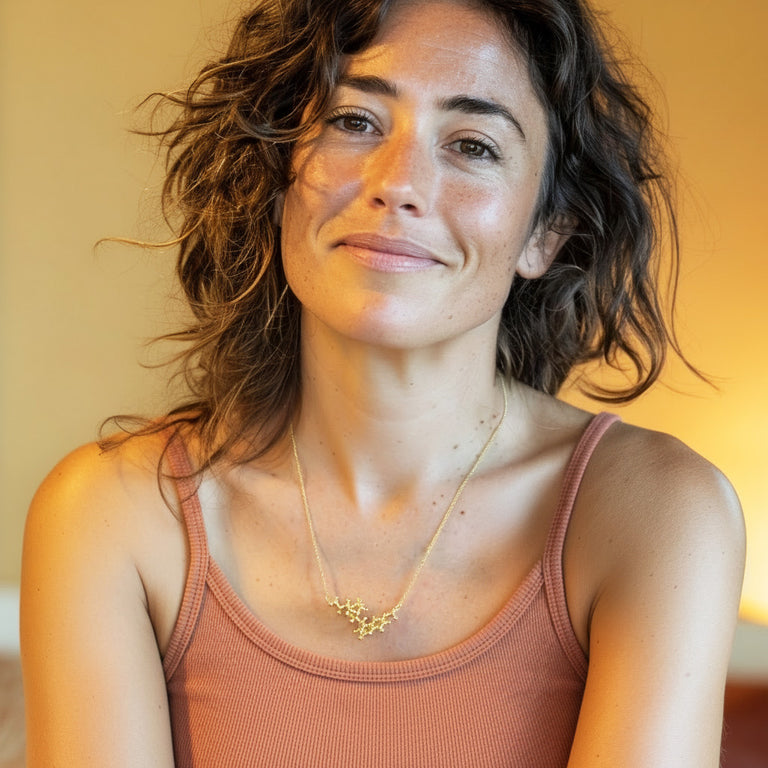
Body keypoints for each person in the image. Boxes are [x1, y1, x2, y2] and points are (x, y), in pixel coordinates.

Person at [20, 0, 745, 765]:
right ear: (275, 173)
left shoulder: (654, 512)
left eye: (471, 144)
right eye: (354, 121)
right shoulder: (118, 516)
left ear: (545, 231)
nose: (397, 183)